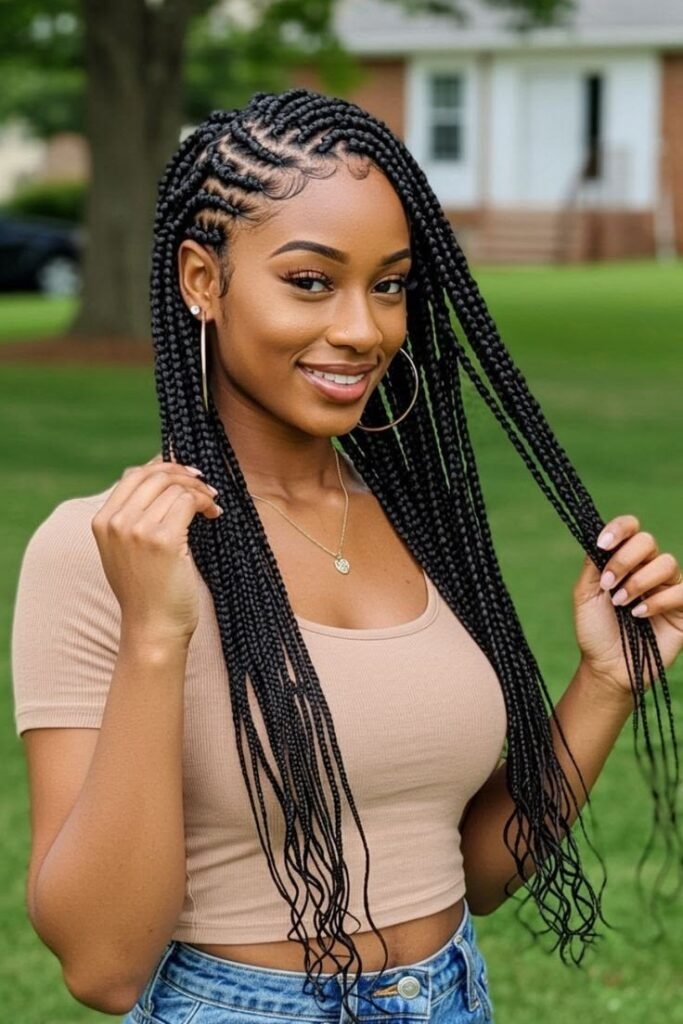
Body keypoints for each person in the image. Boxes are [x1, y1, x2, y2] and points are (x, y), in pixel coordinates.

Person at [10, 87, 683, 1024]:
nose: (365, 330)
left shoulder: (415, 522)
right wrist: (155, 640)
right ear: (202, 279)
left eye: (391, 283)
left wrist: (603, 682)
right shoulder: (105, 552)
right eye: (311, 281)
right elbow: (101, 966)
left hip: (452, 994)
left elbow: (477, 870)